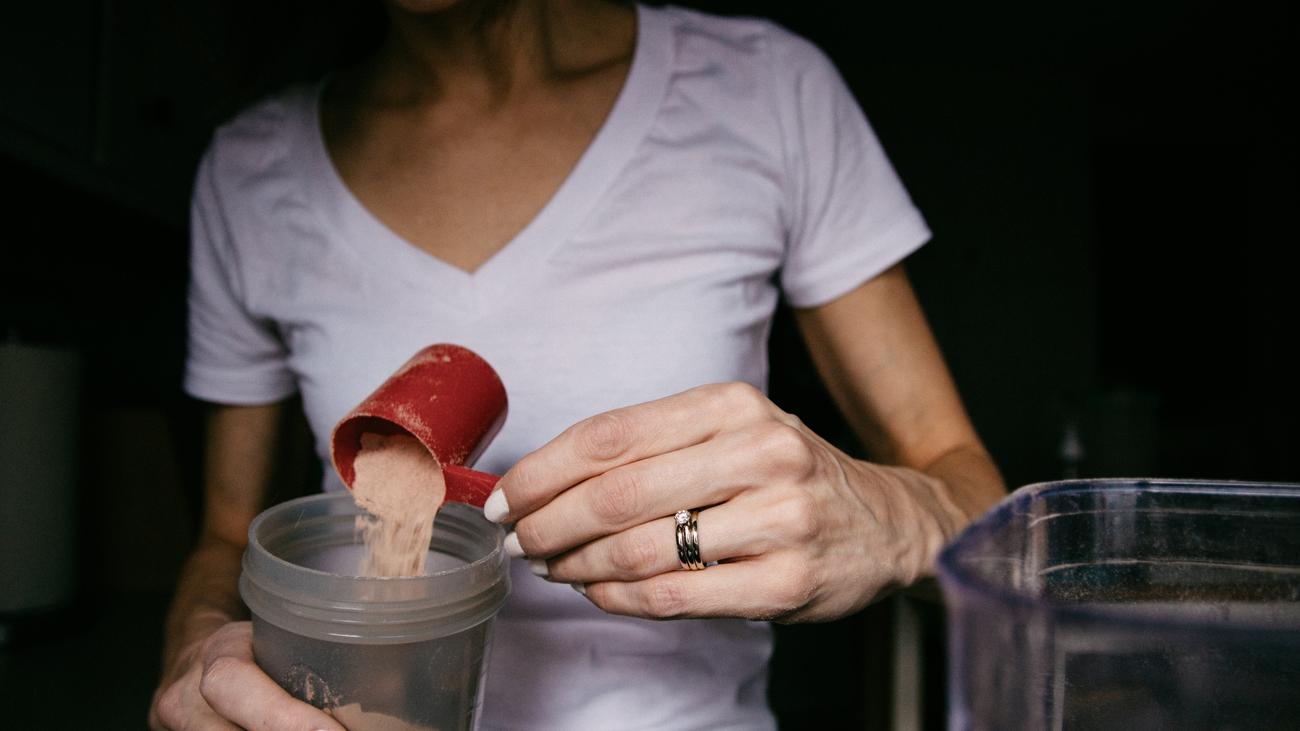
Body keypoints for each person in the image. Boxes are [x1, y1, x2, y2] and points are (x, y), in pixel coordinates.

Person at [149, 0, 1005, 728]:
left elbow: (971, 493)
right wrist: (197, 647)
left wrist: (894, 517)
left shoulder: (767, 91)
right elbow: (226, 535)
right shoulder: (249, 173)